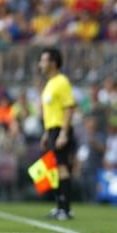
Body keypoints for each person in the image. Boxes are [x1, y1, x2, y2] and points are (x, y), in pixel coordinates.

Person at [39, 47, 76, 220]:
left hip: (60, 129)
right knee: (53, 168)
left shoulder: (62, 81)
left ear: (53, 63)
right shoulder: (50, 83)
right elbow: (50, 112)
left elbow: (69, 107)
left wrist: (63, 133)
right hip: (52, 129)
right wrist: (47, 133)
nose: (41, 64)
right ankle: (59, 205)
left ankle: (66, 209)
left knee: (62, 167)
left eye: (44, 60)